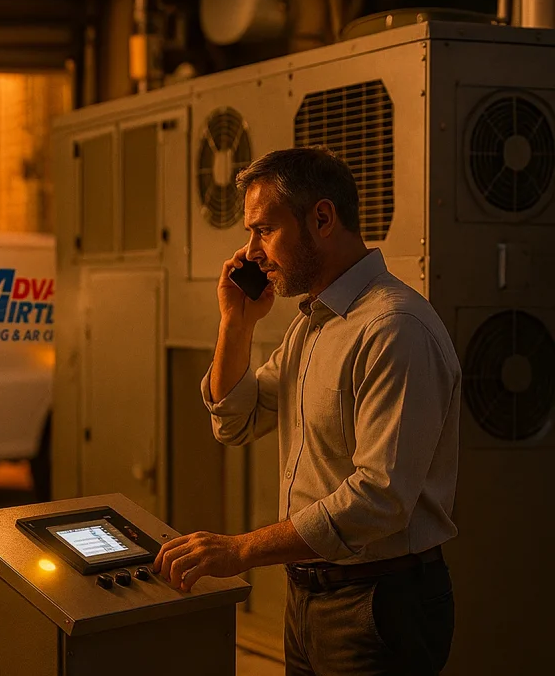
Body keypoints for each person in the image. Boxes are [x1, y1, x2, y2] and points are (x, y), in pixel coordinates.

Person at [152, 147, 460, 675]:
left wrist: (242, 550)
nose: (251, 253)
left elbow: (381, 498)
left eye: (263, 231)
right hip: (309, 598)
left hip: (378, 604)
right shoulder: (311, 325)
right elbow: (235, 420)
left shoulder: (394, 329)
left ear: (321, 218)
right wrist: (236, 323)